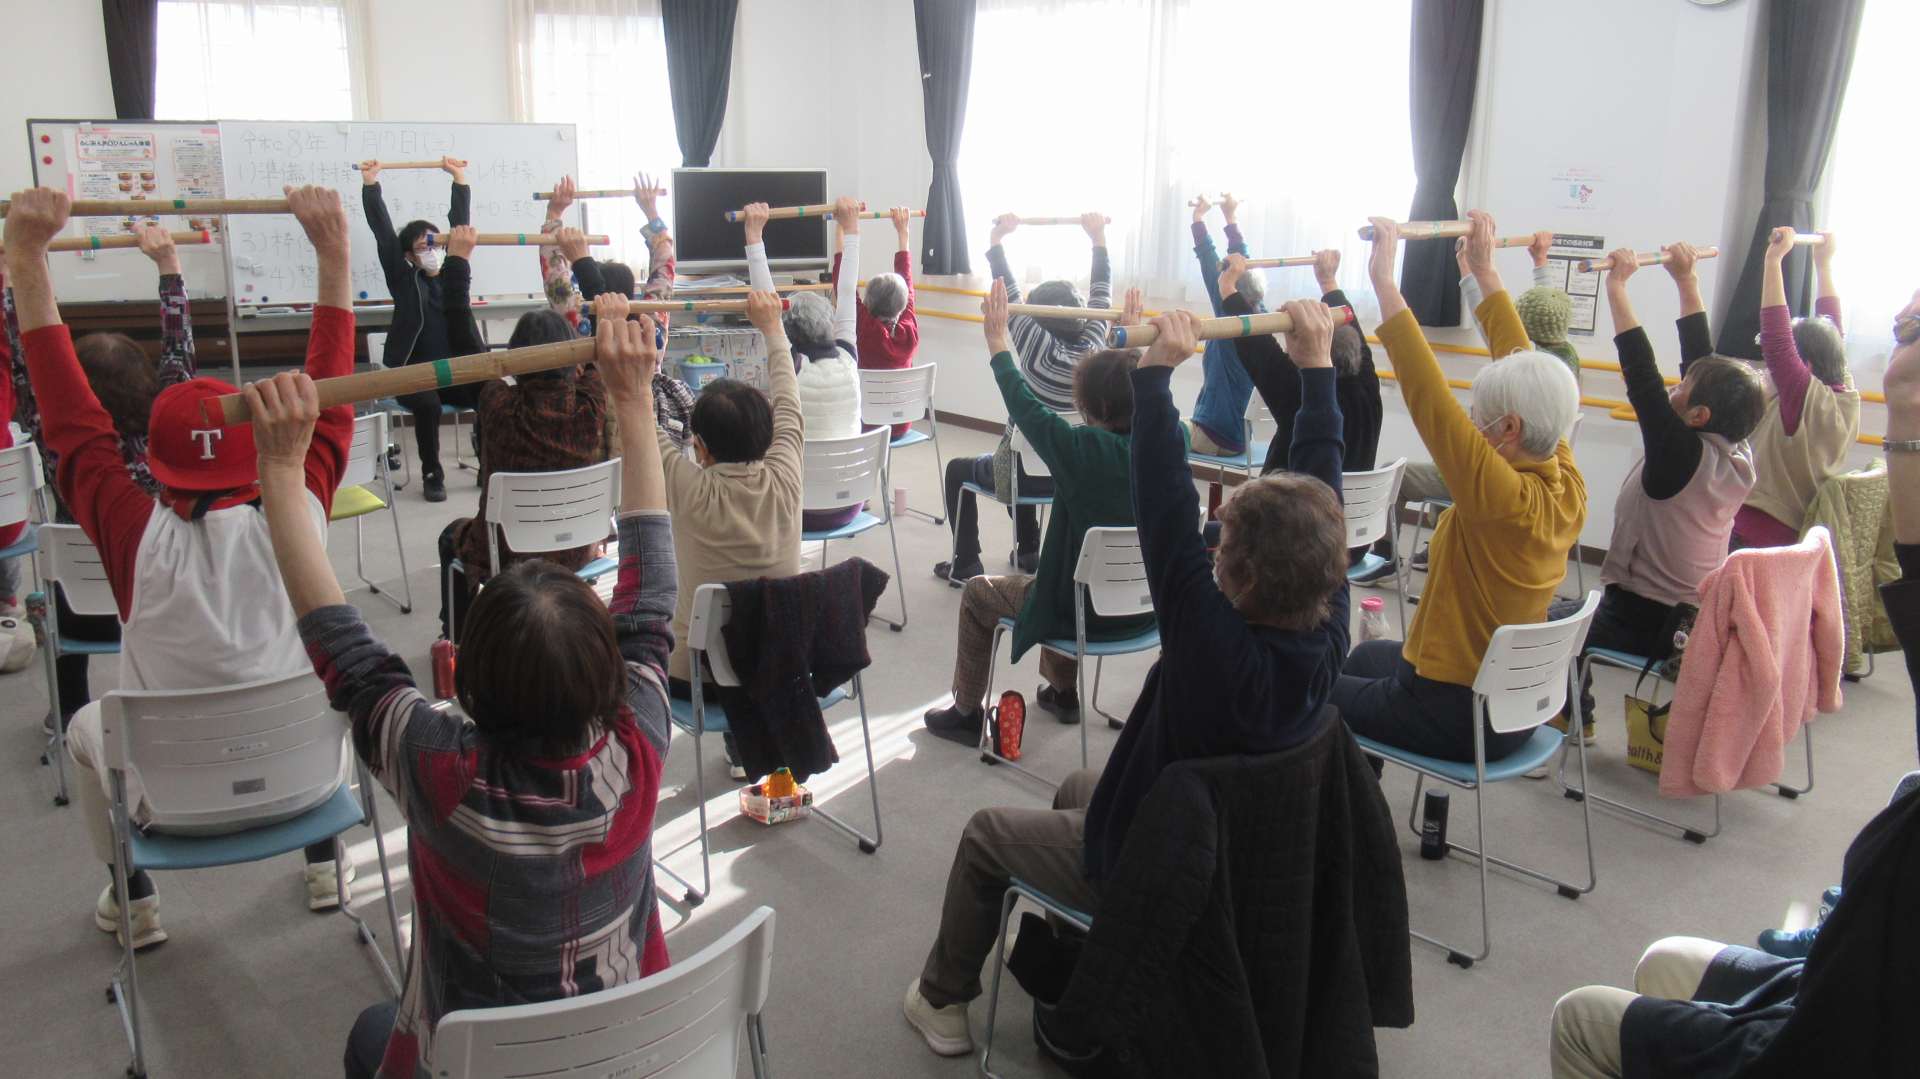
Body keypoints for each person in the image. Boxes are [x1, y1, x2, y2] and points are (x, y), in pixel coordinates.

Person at [903, 300, 1354, 1057]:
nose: (1210, 548)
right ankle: (1090, 953)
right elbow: (1322, 491)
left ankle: (941, 1000)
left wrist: (1155, 378)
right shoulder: (1327, 631)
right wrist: (1315, 371)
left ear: (1240, 577)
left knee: (985, 835)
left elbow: (1165, 501)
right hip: (1237, 843)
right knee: (1078, 788)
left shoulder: (1211, 646)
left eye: (1222, 545)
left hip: (1170, 864)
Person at [249, 312, 676, 1079]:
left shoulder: (442, 771)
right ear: (608, 673)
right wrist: (635, 399)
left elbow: (349, 657)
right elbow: (650, 600)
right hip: (621, 1056)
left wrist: (281, 467)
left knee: (370, 1033)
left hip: (473, 1065)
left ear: (468, 687)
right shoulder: (638, 741)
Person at [5, 184, 356, 948]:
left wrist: (27, 258)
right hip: (308, 782)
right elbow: (332, 402)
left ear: (158, 473)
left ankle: (133, 898)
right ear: (258, 454)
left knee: (89, 725)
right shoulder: (300, 516)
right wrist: (334, 253)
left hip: (171, 803)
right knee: (310, 676)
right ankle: (327, 862)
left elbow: (69, 421)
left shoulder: (133, 536)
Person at [1331, 211, 1584, 764]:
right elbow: (1529, 367)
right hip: (1510, 707)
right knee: (1364, 659)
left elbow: (1428, 395)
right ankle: (1359, 785)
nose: (1472, 424)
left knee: (1307, 686)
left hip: (1454, 713)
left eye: (1480, 419)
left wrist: (1384, 279)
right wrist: (1482, 272)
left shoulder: (1502, 498)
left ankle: (1349, 796)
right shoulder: (1565, 478)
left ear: (1509, 430)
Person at [921, 283, 1158, 740]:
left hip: (1080, 612)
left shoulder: (1080, 449)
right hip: (1145, 612)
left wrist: (996, 341)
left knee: (981, 593)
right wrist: (1133, 349)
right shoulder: (1170, 442)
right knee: (1070, 571)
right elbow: (1152, 395)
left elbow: (1023, 404)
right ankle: (1062, 693)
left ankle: (966, 713)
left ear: (1094, 408)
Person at [1547, 244, 1764, 733]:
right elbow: (1703, 363)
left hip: (1648, 618)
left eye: (1682, 388)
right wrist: (1686, 281)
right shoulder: (1735, 448)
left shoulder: (1680, 456)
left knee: (1544, 625)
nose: (1674, 389)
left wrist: (1617, 286)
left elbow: (1641, 376)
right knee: (1561, 610)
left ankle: (1570, 719)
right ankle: (1575, 711)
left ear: (1698, 415)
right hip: (1686, 615)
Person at [4, 227, 209, 705]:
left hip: (83, 613)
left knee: (59, 589)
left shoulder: (58, 437)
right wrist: (169, 263)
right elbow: (179, 349)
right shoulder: (168, 424)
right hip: (163, 603)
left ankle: (67, 713)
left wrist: (13, 273)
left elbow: (26, 361)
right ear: (145, 377)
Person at [434, 227, 612, 637]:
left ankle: (458, 641)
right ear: (575, 357)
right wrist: (582, 260)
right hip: (577, 550)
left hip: (506, 554)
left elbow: (460, 329)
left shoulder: (497, 403)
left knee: (449, 536)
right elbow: (609, 327)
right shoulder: (591, 403)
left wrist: (457, 260)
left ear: (513, 359)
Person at [658, 290, 803, 778]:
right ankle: (745, 742)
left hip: (696, 683)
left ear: (699, 448)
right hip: (778, 671)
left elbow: (634, 416)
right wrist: (773, 330)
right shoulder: (787, 474)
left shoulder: (687, 488)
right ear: (771, 435)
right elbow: (789, 401)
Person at [936, 212, 1112, 582]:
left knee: (963, 468)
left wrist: (997, 239)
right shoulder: (1095, 350)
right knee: (1032, 449)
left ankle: (966, 562)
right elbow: (1102, 294)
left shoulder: (1036, 347)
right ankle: (1028, 549)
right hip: (1070, 476)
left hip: (1020, 477)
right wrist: (1097, 238)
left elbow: (1010, 297)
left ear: (1037, 318)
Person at [1403, 231, 1575, 513]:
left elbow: (1485, 315)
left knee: (1434, 467)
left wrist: (1467, 265)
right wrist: (1540, 260)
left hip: (1494, 467)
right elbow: (1550, 304)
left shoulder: (1525, 364)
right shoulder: (1562, 363)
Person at [363, 156, 483, 502]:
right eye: (423, 246)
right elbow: (383, 233)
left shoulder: (453, 277)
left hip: (454, 373)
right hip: (413, 377)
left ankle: (489, 464)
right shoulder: (403, 279)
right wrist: (371, 184)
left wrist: (459, 177)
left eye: (436, 244)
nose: (432, 251)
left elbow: (460, 227)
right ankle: (433, 475)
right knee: (428, 405)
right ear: (410, 255)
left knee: (488, 394)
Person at [1732, 228, 1859, 548]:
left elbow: (1777, 343)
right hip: (1788, 530)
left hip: (1758, 530)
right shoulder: (1843, 390)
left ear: (1807, 366)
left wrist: (1773, 261)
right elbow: (1833, 332)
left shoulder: (1807, 400)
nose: (1772, 364)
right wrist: (1823, 265)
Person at [551, 174, 696, 453]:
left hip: (592, 436)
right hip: (646, 432)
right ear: (632, 295)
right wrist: (651, 211)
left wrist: (554, 216)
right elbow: (664, 268)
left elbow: (556, 280)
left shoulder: (578, 322)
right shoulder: (650, 327)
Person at [743, 198, 863, 530]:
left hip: (796, 510)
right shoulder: (848, 360)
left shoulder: (791, 367)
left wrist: (754, 236)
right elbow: (847, 292)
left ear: (788, 333)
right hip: (849, 503)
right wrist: (851, 229)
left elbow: (768, 301)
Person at [1184, 192, 1261, 457]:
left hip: (1213, 436)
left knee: (1145, 427)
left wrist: (1198, 218)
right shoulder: (1261, 315)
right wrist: (1231, 218)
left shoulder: (1232, 322)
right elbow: (1243, 266)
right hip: (1239, 439)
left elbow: (1210, 264)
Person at [835, 205, 920, 439]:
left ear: (869, 303)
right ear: (903, 305)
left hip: (867, 426)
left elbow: (844, 287)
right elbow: (907, 284)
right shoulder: (909, 331)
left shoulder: (866, 330)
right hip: (901, 424)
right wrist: (903, 232)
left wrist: (842, 229)